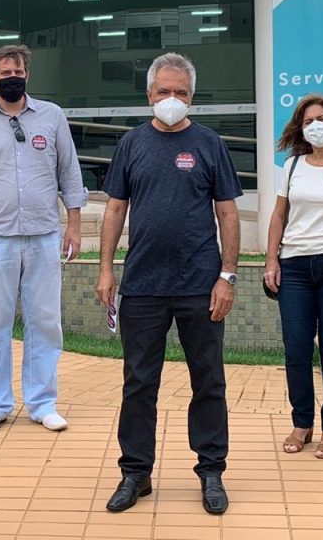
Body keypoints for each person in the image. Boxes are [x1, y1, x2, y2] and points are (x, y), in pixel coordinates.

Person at [97, 53, 242, 516]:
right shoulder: (131, 144)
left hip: (200, 284)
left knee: (208, 379)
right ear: (149, 95)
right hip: (142, 285)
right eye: (164, 91)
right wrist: (106, 269)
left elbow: (228, 213)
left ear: (192, 97)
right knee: (139, 382)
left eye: (180, 92)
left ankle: (211, 470)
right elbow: (115, 209)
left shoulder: (209, 143)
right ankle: (135, 473)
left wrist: (227, 276)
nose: (172, 99)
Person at [0, 44, 86, 434]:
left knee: (45, 321)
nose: (13, 78)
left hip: (44, 235)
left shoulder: (52, 116)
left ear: (27, 74)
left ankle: (42, 402)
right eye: (5, 73)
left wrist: (74, 225)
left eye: (19, 72)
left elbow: (69, 173)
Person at [263, 95, 323, 460]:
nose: (314, 126)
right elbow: (278, 215)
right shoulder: (292, 166)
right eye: (307, 122)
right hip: (295, 266)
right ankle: (301, 422)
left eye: (321, 118)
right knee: (296, 348)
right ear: (300, 129)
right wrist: (271, 259)